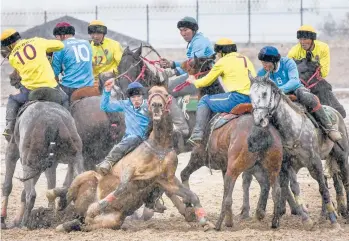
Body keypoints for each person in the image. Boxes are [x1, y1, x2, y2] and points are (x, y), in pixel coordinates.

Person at [258, 46, 341, 142]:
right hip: (277, 96)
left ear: (274, 61)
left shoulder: (288, 63)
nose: (264, 65)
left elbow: (294, 81)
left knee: (308, 97)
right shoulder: (261, 72)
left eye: (266, 63)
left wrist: (280, 90)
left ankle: (329, 127)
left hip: (296, 89)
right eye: (262, 62)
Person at [186, 38, 255, 146]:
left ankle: (197, 133)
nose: (217, 56)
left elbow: (206, 81)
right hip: (254, 99)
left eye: (218, 54)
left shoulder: (222, 62)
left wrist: (193, 81)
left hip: (237, 98)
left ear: (222, 52)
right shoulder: (245, 59)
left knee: (204, 100)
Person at [1, 29, 67, 139]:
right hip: (51, 86)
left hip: (30, 90)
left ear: (8, 46)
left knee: (13, 99)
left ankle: (9, 126)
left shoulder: (12, 57)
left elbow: (21, 74)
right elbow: (60, 46)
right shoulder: (37, 41)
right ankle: (69, 124)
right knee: (65, 99)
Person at [96, 81, 149, 175]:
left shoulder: (149, 105)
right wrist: (107, 91)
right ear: (129, 98)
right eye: (133, 97)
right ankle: (109, 161)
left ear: (142, 96)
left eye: (138, 96)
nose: (136, 99)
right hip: (131, 139)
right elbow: (104, 107)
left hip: (147, 138)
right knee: (133, 138)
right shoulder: (125, 104)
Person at [160, 16, 214, 97]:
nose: (183, 34)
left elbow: (192, 65)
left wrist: (174, 71)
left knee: (165, 89)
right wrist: (173, 64)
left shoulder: (199, 42)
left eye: (185, 30)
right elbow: (189, 63)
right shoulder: (195, 40)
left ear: (194, 30)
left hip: (202, 78)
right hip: (199, 76)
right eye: (181, 30)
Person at [52, 22, 94, 99]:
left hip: (70, 87)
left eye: (56, 37)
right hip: (89, 85)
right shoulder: (86, 43)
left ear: (62, 35)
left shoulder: (59, 47)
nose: (56, 40)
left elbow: (55, 73)